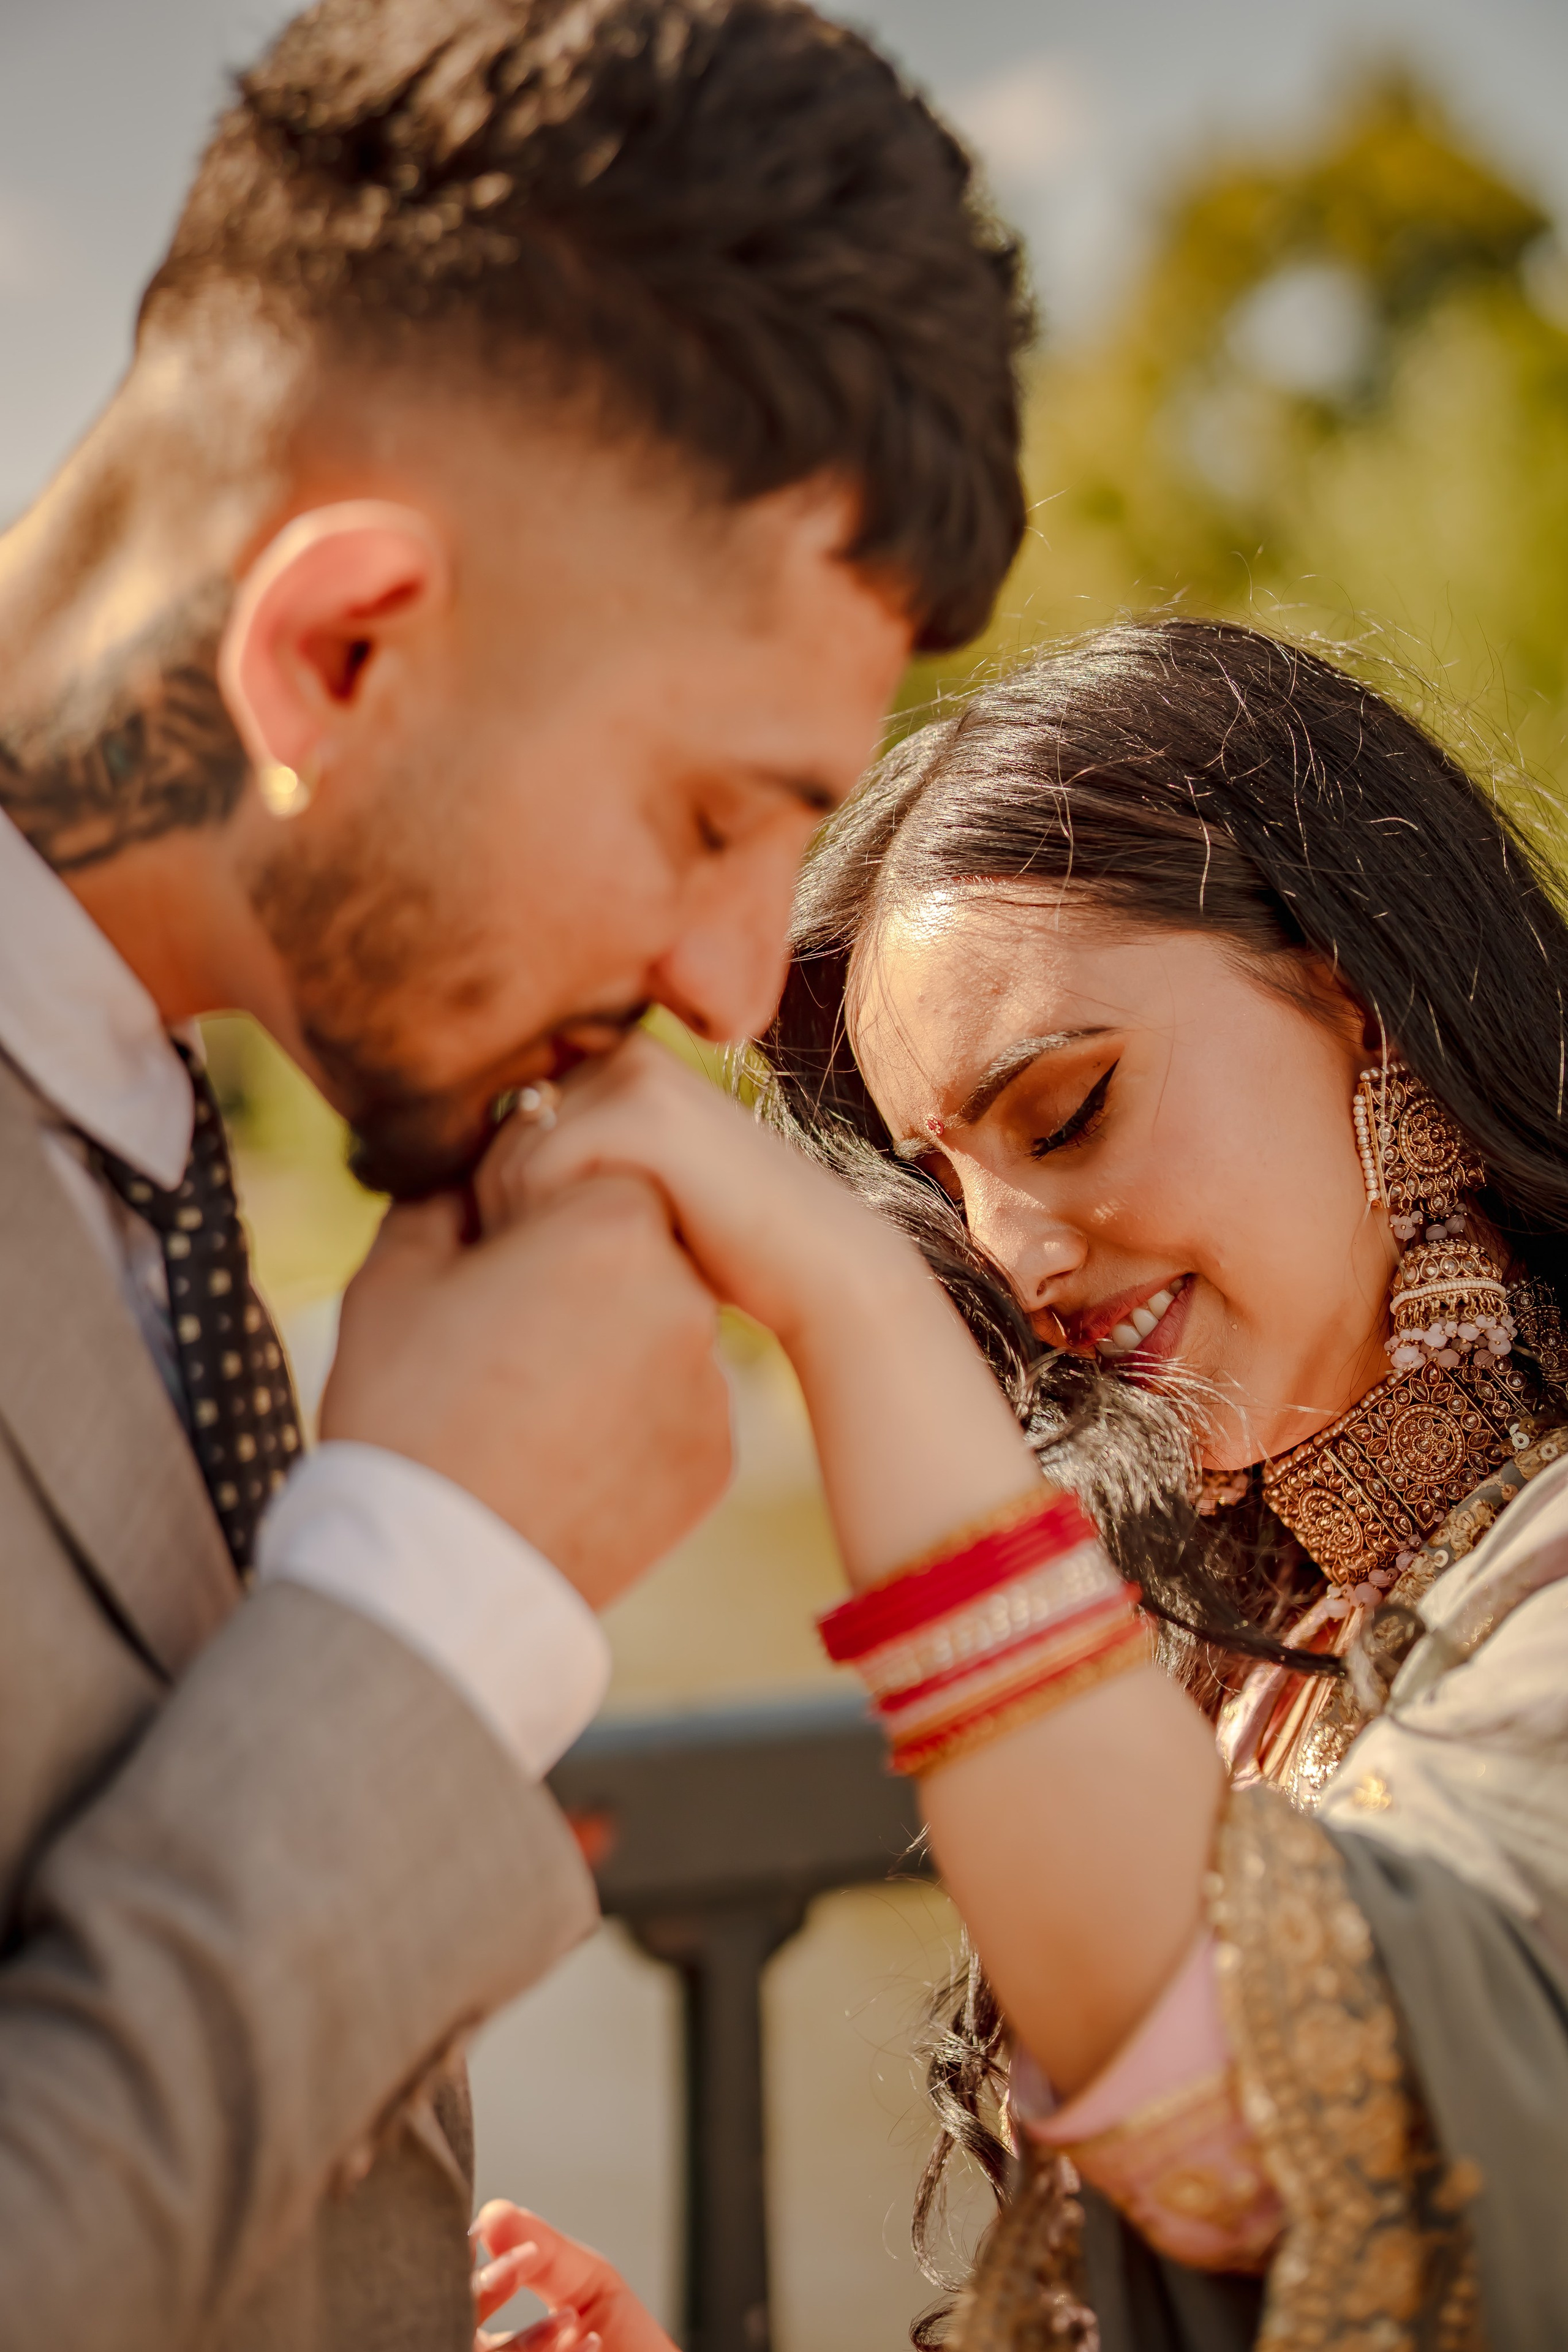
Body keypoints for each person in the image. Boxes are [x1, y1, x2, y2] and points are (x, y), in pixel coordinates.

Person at [0, 1, 1030, 2343]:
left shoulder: (163, 1123)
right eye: (703, 816)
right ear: (340, 651)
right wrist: (420, 1612)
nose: (723, 977)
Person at [484, 616, 1568, 2349]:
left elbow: (1277, 2149)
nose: (1015, 1258)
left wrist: (851, 1316)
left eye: (1065, 1116)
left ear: (1367, 1001)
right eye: (948, 1189)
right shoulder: (1236, 1650)